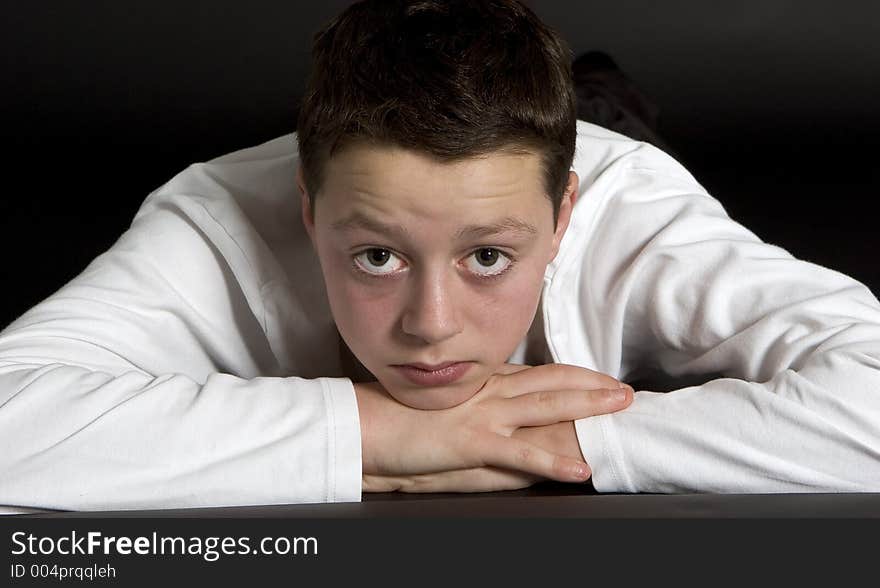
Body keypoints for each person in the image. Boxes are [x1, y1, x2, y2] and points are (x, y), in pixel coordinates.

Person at [1, 0, 879, 514]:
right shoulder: (217, 213)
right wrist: (380, 433)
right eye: (378, 256)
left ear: (563, 214)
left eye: (489, 257)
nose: (433, 327)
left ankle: (600, 96)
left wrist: (574, 440)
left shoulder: (630, 206)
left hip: (611, 147)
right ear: (307, 212)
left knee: (605, 114)